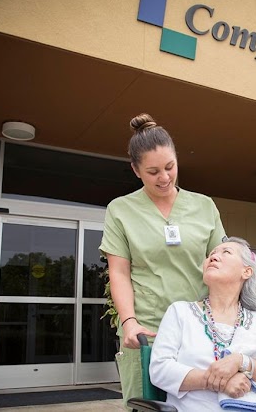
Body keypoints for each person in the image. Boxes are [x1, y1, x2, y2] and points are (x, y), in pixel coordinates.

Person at [100, 113, 227, 405]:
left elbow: (220, 263)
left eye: (170, 167)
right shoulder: (120, 210)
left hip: (200, 328)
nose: (165, 177)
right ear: (136, 170)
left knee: (201, 404)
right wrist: (129, 321)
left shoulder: (204, 206)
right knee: (148, 406)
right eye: (153, 171)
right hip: (147, 331)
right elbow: (118, 273)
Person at [150, 237, 256, 411]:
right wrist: (221, 381)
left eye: (226, 252)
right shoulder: (180, 312)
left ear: (246, 272)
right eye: (211, 254)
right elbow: (159, 370)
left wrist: (242, 362)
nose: (213, 257)